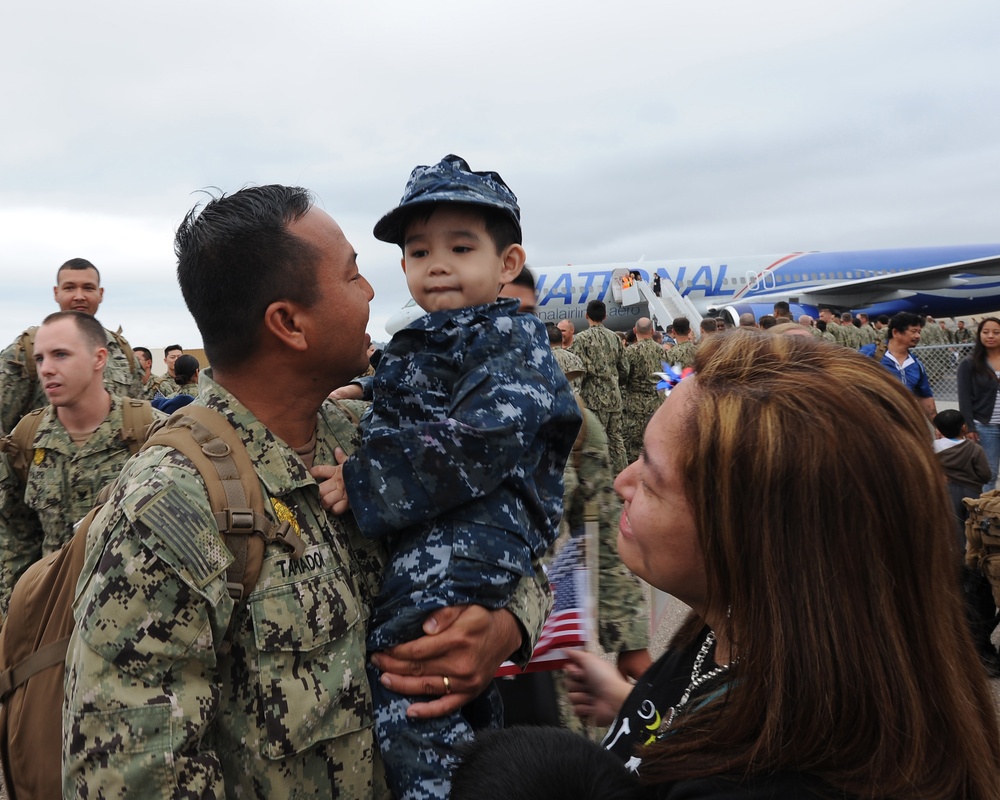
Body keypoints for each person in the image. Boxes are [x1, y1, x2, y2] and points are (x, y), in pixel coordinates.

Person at [63, 184, 551, 799]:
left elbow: (504, 535)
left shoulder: (368, 438)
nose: (374, 290)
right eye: (352, 276)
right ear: (289, 323)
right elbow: (130, 779)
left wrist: (505, 625)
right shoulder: (171, 510)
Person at [553, 330, 1000, 798]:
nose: (623, 482)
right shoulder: (742, 634)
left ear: (748, 531)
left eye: (650, 473)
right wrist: (630, 702)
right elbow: (704, 715)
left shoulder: (762, 782)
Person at [318, 155, 581, 800]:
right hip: (454, 532)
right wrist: (356, 390)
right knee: (456, 690)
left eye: (461, 248)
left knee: (409, 670)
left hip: (475, 536)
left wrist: (365, 482)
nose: (436, 264)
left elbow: (477, 441)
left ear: (507, 265)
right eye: (417, 252)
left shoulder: (510, 342)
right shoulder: (443, 336)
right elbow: (403, 383)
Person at [0, 312, 163, 617]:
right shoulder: (25, 439)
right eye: (40, 358)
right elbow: (15, 538)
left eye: (60, 355)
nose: (46, 369)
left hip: (137, 625)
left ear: (99, 358)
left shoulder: (153, 433)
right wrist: (14, 620)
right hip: (51, 622)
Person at [0, 258, 147, 434]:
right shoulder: (27, 350)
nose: (79, 296)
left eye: (88, 288)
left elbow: (139, 415)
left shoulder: (122, 350)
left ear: (100, 294)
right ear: (56, 293)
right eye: (69, 288)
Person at [571, 300, 628, 475]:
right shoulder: (615, 338)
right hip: (614, 397)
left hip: (593, 399)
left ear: (586, 315)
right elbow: (624, 368)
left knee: (596, 441)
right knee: (617, 439)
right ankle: (621, 476)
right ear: (605, 316)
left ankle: (601, 479)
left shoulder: (580, 339)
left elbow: (578, 370)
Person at [932, 408, 992, 552]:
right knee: (973, 526)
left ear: (938, 430)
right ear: (964, 427)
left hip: (946, 491)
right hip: (971, 492)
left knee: (954, 528)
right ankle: (974, 557)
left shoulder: (932, 448)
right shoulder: (974, 449)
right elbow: (985, 475)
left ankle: (958, 561)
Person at [860, 311, 936, 420]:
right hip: (872, 421)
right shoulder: (869, 354)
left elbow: (925, 397)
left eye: (919, 332)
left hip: (904, 421)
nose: (918, 336)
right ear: (895, 332)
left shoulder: (916, 364)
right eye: (913, 331)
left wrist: (938, 426)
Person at [957, 317, 1000, 492]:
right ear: (979, 335)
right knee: (988, 474)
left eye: (996, 332)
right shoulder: (969, 363)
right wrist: (970, 426)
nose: (991, 336)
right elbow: (964, 397)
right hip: (985, 426)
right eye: (985, 332)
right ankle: (986, 516)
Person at [620, 317, 664, 465]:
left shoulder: (631, 351)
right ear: (652, 331)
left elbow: (624, 376)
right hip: (658, 403)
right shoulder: (662, 350)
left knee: (636, 447)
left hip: (636, 404)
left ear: (634, 330)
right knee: (656, 443)